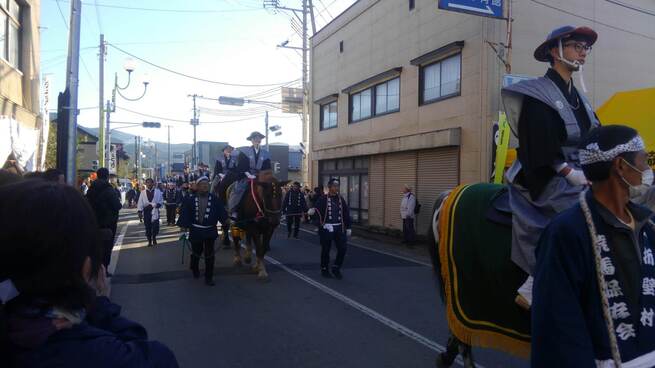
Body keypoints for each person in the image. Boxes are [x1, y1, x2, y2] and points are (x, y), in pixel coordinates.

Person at [0, 180, 179, 368]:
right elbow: (152, 355)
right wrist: (98, 304)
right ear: (86, 267)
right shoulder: (94, 353)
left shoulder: (14, 326)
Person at [532, 125, 655, 367]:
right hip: (554, 180)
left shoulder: (648, 225)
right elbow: (559, 329)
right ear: (620, 166)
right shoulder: (566, 233)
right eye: (643, 160)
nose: (647, 169)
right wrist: (566, 170)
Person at [501, 25, 601, 306]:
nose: (582, 53)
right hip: (544, 174)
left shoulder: (580, 98)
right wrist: (571, 174)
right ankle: (534, 282)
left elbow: (593, 136)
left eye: (585, 48)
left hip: (581, 171)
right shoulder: (537, 94)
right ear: (554, 51)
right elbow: (539, 144)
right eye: (576, 46)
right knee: (583, 212)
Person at [177, 177, 228, 286]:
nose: (205, 186)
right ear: (198, 186)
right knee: (196, 252)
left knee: (210, 254)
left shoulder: (215, 199)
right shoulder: (190, 200)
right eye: (202, 184)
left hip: (210, 230)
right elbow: (185, 214)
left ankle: (208, 277)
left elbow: (222, 213)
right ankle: (194, 267)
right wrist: (184, 227)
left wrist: (226, 221)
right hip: (196, 230)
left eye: (207, 184)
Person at [309, 178, 352, 279]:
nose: (336, 188)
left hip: (339, 228)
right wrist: (313, 214)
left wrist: (348, 226)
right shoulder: (322, 199)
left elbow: (346, 213)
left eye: (337, 186)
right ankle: (324, 269)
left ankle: (336, 267)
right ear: (329, 187)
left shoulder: (341, 199)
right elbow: (316, 212)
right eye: (334, 186)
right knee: (326, 249)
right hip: (326, 228)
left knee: (342, 249)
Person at [85, 168, 123, 271]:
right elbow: (117, 205)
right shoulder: (109, 189)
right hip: (108, 223)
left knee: (95, 246)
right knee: (107, 247)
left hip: (93, 223)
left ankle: (95, 268)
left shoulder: (90, 189)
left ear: (97, 176)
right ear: (107, 177)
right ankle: (104, 269)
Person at [228, 131, 272, 220]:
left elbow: (267, 167)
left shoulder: (265, 153)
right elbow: (242, 165)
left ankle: (272, 210)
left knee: (271, 190)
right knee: (239, 189)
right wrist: (248, 174)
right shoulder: (245, 151)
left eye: (259, 138)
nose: (257, 140)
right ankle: (234, 210)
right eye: (255, 138)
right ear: (251, 140)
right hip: (246, 175)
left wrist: (263, 175)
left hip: (260, 176)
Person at [137, 178, 163, 247]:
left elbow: (161, 201)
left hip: (155, 211)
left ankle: (154, 237)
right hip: (147, 212)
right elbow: (140, 202)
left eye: (150, 182)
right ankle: (149, 241)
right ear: (146, 184)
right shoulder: (143, 192)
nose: (149, 184)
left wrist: (158, 204)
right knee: (148, 227)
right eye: (147, 183)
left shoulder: (158, 192)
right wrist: (140, 211)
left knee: (155, 227)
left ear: (153, 183)